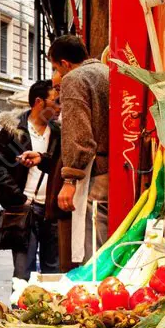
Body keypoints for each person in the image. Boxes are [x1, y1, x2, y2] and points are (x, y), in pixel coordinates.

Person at [0, 80, 63, 280]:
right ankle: (18, 311)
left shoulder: (57, 133)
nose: (59, 107)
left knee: (52, 271)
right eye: (55, 101)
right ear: (39, 102)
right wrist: (20, 198)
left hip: (51, 210)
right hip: (24, 210)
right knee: (22, 272)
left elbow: (59, 166)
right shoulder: (14, 132)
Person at [48, 35, 109, 263]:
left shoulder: (74, 79)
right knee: (105, 244)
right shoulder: (106, 72)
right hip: (114, 170)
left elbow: (78, 133)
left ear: (65, 63)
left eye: (56, 68)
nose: (59, 75)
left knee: (92, 248)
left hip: (95, 176)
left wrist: (69, 180)